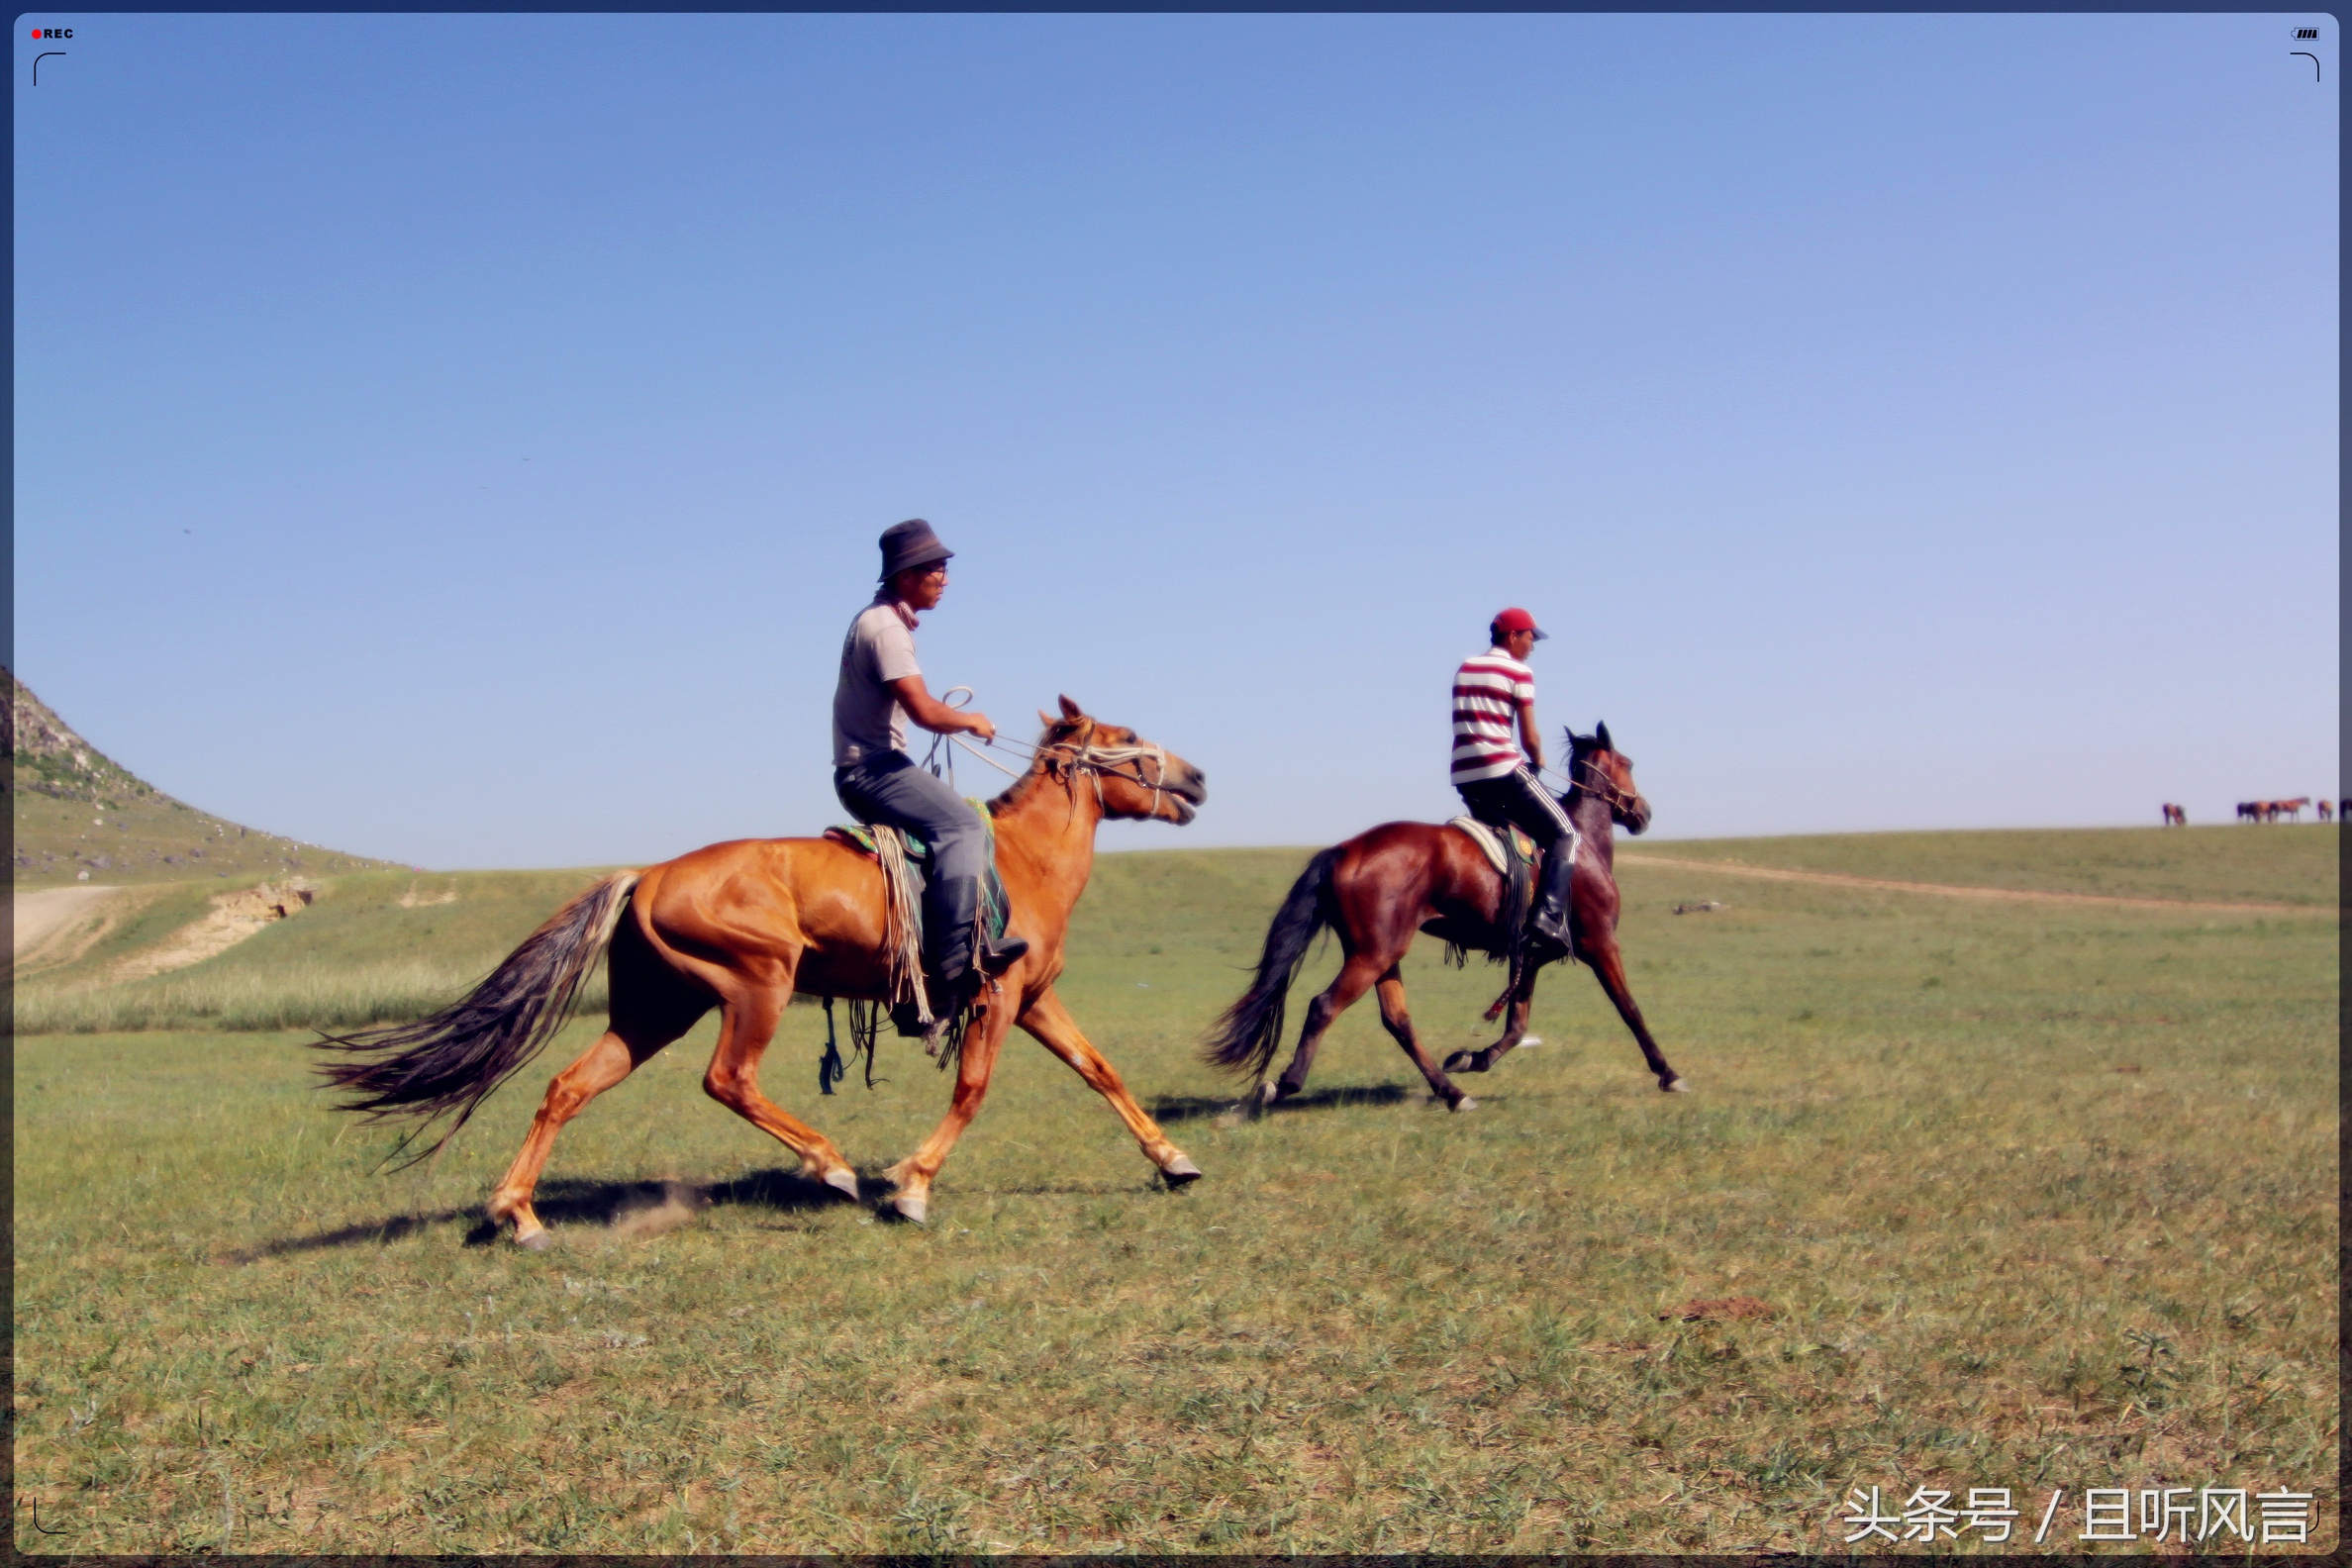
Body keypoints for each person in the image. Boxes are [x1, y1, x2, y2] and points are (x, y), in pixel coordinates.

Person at [833, 519, 1028, 1032]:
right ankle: (951, 967)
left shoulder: (878, 622)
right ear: (905, 576)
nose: (944, 579)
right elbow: (922, 711)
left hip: (872, 766)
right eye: (935, 570)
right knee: (963, 825)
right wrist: (970, 720)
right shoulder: (887, 630)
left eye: (944, 569)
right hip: (872, 770)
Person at [1450, 607, 1579, 965]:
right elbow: (1530, 736)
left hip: (1464, 776)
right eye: (1530, 637)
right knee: (1566, 834)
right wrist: (1538, 761)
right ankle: (1548, 918)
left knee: (1512, 838)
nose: (1532, 645)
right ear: (1512, 637)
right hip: (1502, 770)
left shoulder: (1465, 668)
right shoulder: (1519, 671)